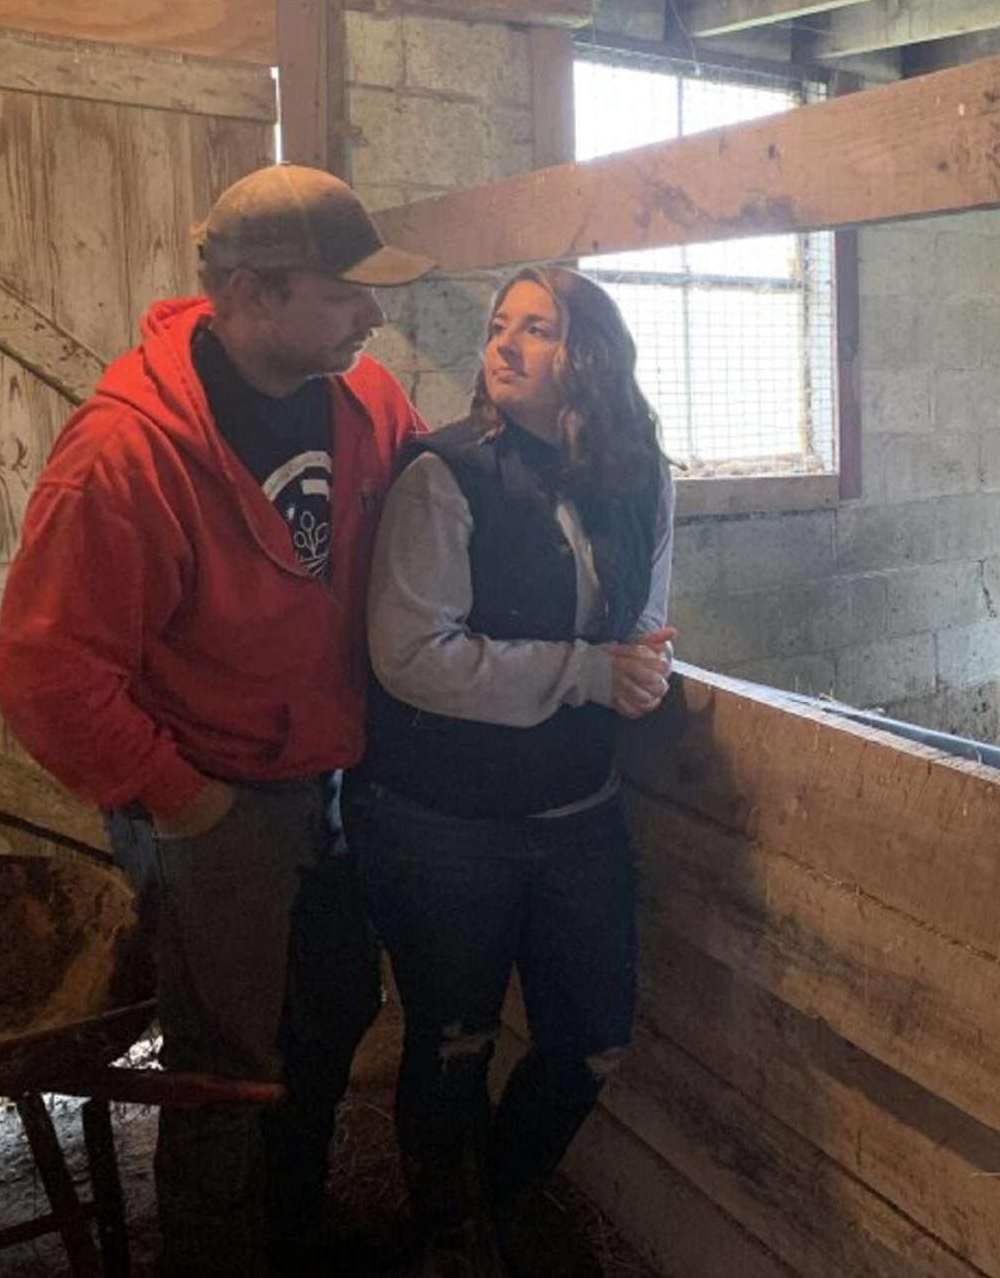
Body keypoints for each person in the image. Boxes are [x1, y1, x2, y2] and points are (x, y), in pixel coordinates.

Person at [0, 163, 436, 1276]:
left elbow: (435, 516)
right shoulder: (125, 457)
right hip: (215, 795)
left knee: (333, 1012)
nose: (371, 317)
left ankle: (291, 1225)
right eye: (344, 294)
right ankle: (213, 1254)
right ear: (248, 293)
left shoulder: (367, 401)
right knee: (224, 1067)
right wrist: (185, 802)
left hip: (334, 777)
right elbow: (48, 675)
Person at [347, 265, 675, 1274]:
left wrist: (646, 668)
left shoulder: (643, 477)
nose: (507, 344)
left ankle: (496, 1197)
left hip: (579, 811)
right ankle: (456, 1235)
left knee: (591, 1041)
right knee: (452, 1039)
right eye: (501, 326)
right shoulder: (445, 474)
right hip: (443, 817)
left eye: (540, 328)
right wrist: (584, 675)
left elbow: (649, 622)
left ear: (591, 356)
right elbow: (408, 654)